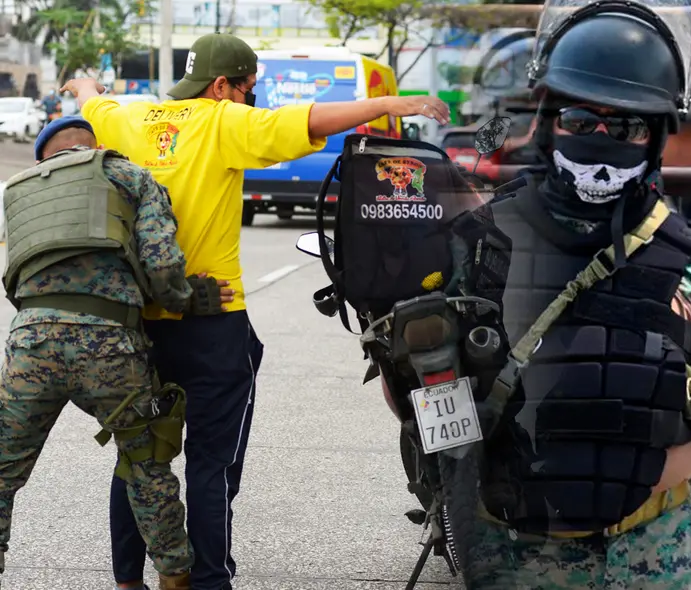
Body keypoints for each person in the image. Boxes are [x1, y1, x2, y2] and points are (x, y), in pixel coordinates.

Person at [57, 33, 451, 590]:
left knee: (139, 458)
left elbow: (93, 98)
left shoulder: (129, 117)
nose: (253, 98)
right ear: (222, 86)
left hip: (140, 326)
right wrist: (391, 103)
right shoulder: (225, 122)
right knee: (210, 464)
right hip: (213, 327)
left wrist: (81, 83)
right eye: (249, 87)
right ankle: (211, 581)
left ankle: (128, 580)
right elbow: (312, 120)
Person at [438, 0, 691, 587]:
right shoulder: (476, 247)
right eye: (580, 120)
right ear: (546, 118)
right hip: (510, 554)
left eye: (626, 126)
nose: (600, 139)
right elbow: (423, 405)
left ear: (658, 135)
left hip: (653, 554)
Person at [0, 117, 232, 590]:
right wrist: (187, 299)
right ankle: (174, 577)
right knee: (146, 466)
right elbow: (162, 263)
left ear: (46, 159)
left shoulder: (18, 190)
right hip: (112, 348)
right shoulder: (127, 175)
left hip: (31, 344)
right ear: (95, 148)